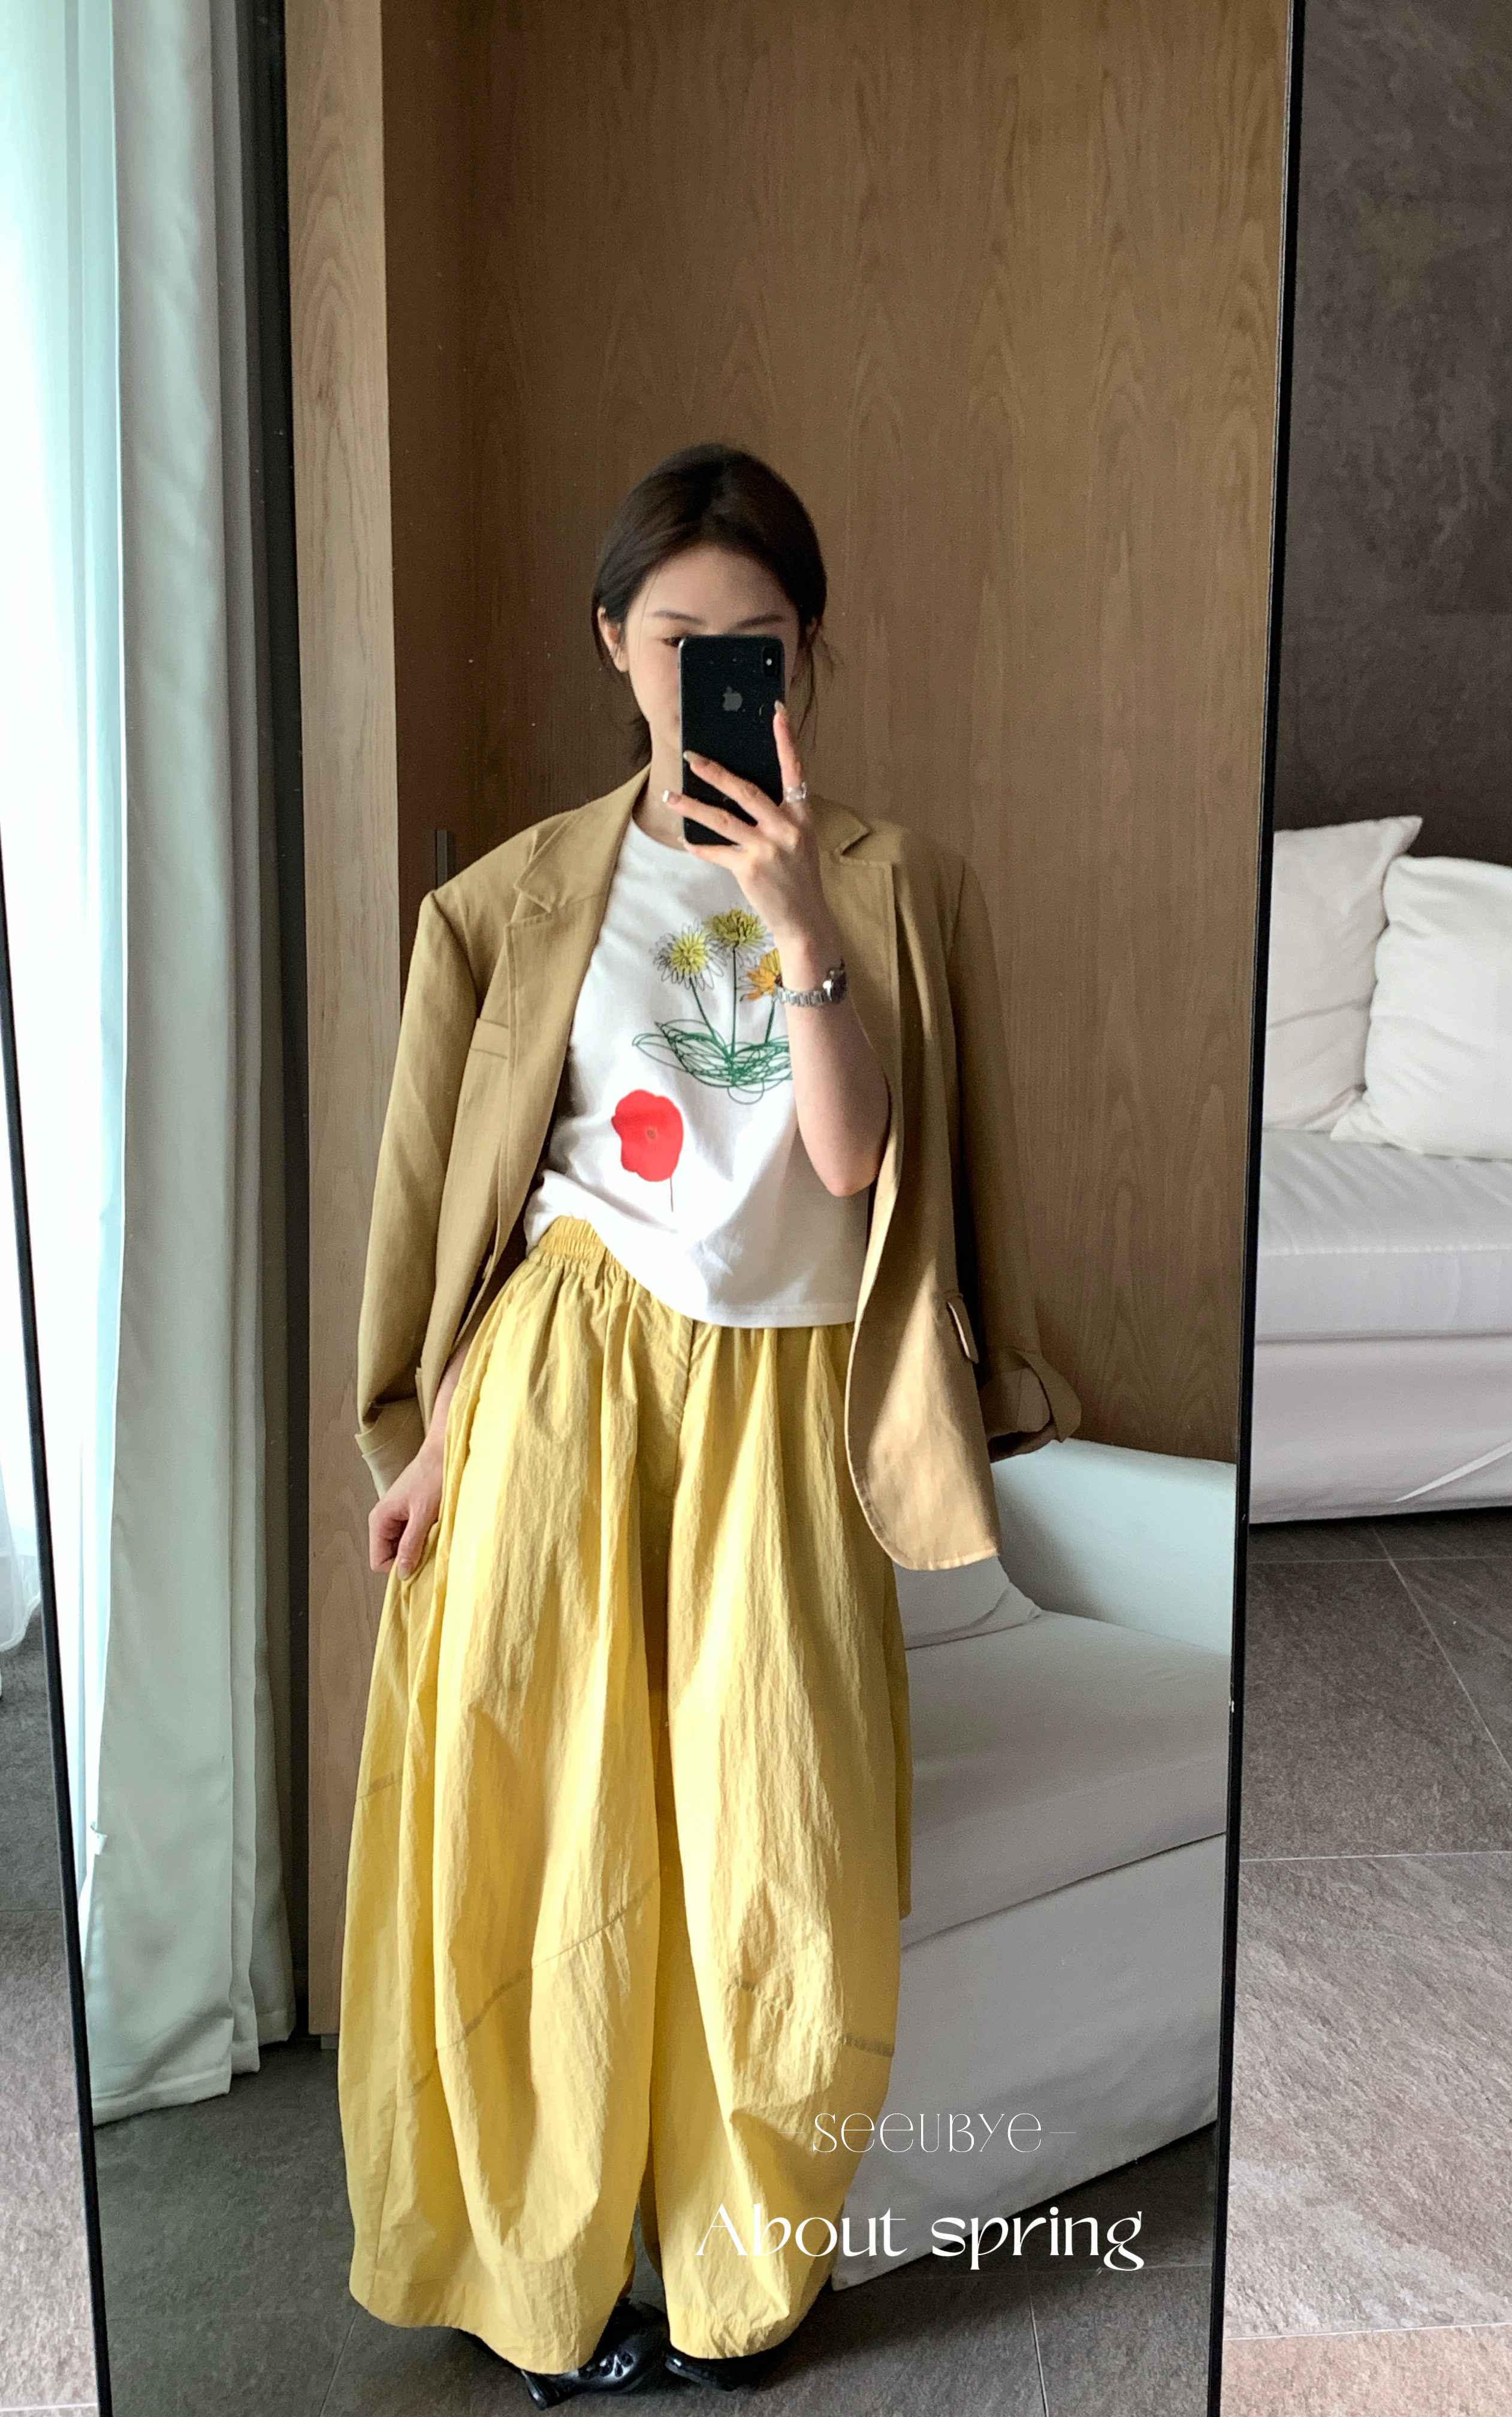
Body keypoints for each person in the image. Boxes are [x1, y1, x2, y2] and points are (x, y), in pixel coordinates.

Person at [339, 442, 1078, 2401]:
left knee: (781, 1845)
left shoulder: (902, 890)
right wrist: (427, 1437)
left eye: (756, 642)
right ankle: (544, 2281)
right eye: (677, 639)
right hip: (562, 1390)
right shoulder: (508, 902)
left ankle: (740, 2284)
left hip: (785, 1402)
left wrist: (798, 919)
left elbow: (854, 1171)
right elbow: (463, 1216)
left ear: (807, 654)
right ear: (613, 643)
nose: (713, 675)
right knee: (546, 1836)